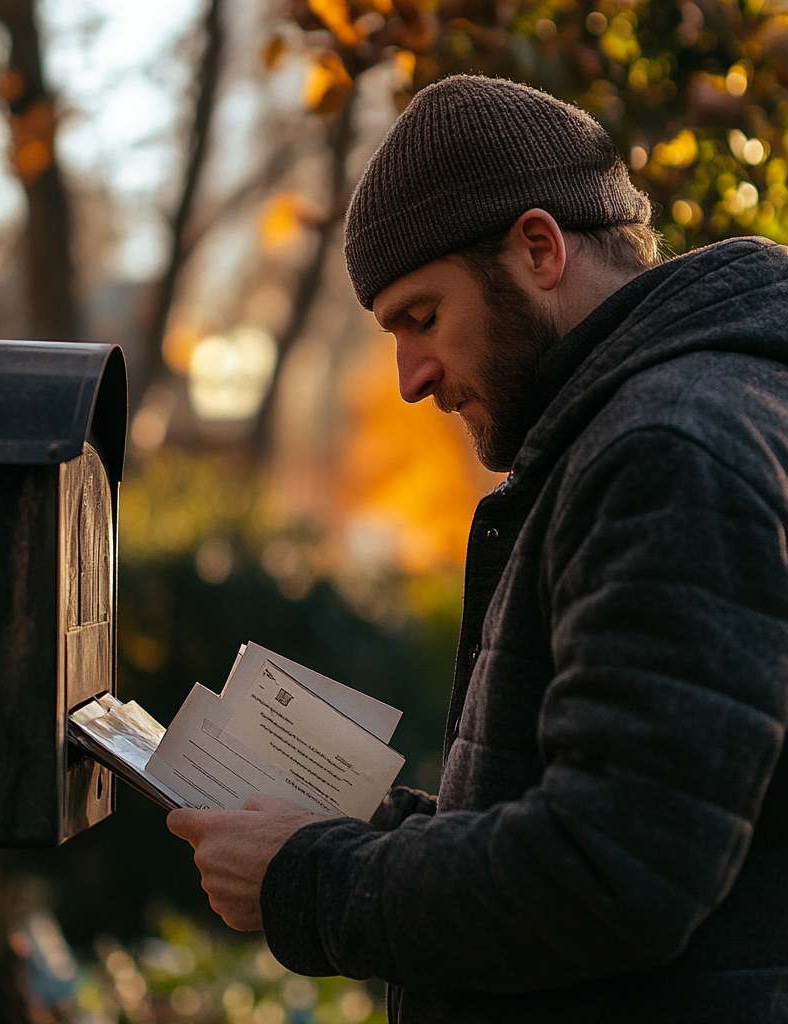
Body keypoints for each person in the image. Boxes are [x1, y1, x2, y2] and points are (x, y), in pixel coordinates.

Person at [168, 75, 788, 1022]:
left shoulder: (667, 450)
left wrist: (317, 881)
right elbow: (626, 823)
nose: (411, 378)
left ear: (539, 248)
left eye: (422, 318)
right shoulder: (648, 432)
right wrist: (368, 834)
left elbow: (613, 871)